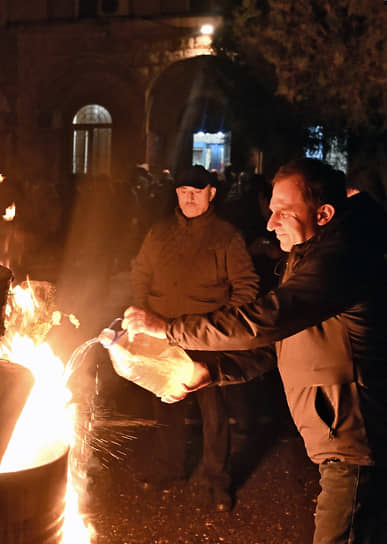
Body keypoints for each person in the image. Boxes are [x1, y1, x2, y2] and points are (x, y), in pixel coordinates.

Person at [122, 158, 387, 543]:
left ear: (324, 213)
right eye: (271, 209)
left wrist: (170, 330)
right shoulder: (307, 258)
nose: (269, 222)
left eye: (284, 211)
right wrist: (211, 372)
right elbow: (275, 346)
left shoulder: (338, 263)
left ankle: (215, 481)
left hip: (357, 448)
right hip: (341, 445)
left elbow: (264, 321)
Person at [129, 164, 259, 511]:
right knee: (166, 407)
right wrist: (141, 314)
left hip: (207, 340)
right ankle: (167, 471)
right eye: (183, 191)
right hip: (162, 336)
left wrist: (222, 326)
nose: (188, 197)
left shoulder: (227, 236)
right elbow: (140, 273)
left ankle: (215, 482)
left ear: (211, 194)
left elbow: (246, 288)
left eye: (197, 191)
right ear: (175, 193)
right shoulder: (158, 232)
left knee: (214, 414)